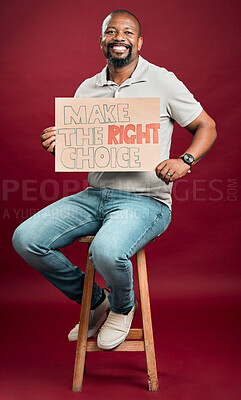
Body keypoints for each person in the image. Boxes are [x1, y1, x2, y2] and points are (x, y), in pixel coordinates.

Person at [12, 9, 217, 350]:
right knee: (26, 238)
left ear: (138, 41)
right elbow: (85, 148)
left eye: (126, 32)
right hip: (96, 195)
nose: (118, 36)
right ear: (102, 41)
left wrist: (186, 160)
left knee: (106, 251)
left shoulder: (163, 81)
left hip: (146, 200)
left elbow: (206, 126)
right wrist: (61, 147)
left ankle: (123, 308)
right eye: (111, 31)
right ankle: (95, 303)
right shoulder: (87, 89)